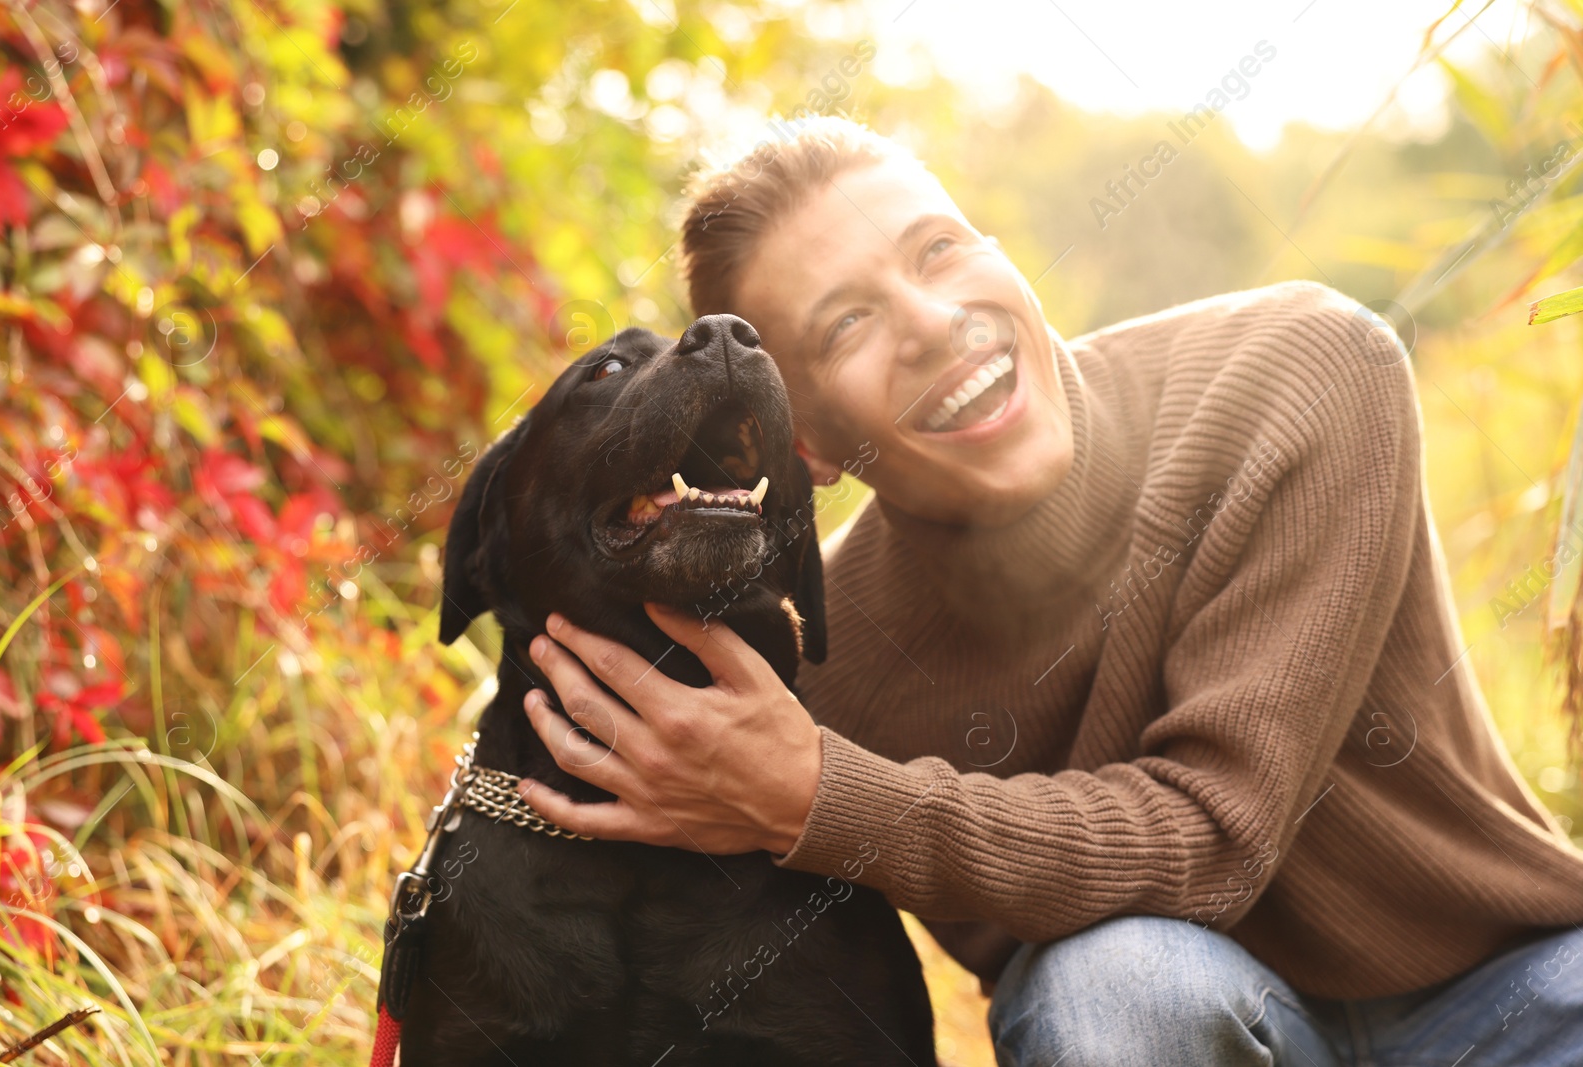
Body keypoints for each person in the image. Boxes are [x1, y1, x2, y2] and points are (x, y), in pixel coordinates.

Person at [512, 117, 1583, 1065]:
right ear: (807, 445)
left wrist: (820, 797)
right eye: (846, 325)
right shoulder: (822, 660)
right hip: (1168, 1016)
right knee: (1112, 987)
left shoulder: (1298, 370)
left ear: (1003, 258)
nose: (931, 322)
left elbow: (1216, 834)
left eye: (938, 250)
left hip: (1509, 998)